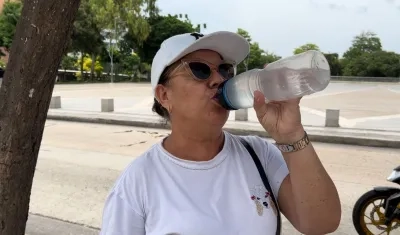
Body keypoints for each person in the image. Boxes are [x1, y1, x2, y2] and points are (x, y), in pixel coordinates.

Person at [99, 31, 341, 235]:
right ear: (164, 95)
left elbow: (321, 222)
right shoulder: (137, 182)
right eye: (200, 70)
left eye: (225, 70)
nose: (218, 79)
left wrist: (291, 134)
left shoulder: (259, 154)